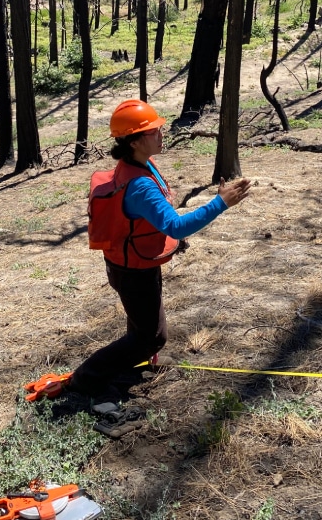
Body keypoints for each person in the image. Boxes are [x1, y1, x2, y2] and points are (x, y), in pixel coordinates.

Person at [68, 98, 251, 403]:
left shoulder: (139, 164)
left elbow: (158, 218)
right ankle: (87, 378)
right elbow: (175, 226)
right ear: (135, 141)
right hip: (133, 271)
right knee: (152, 337)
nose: (161, 134)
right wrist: (220, 203)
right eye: (153, 131)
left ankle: (136, 362)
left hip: (131, 262)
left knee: (141, 326)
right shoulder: (139, 185)